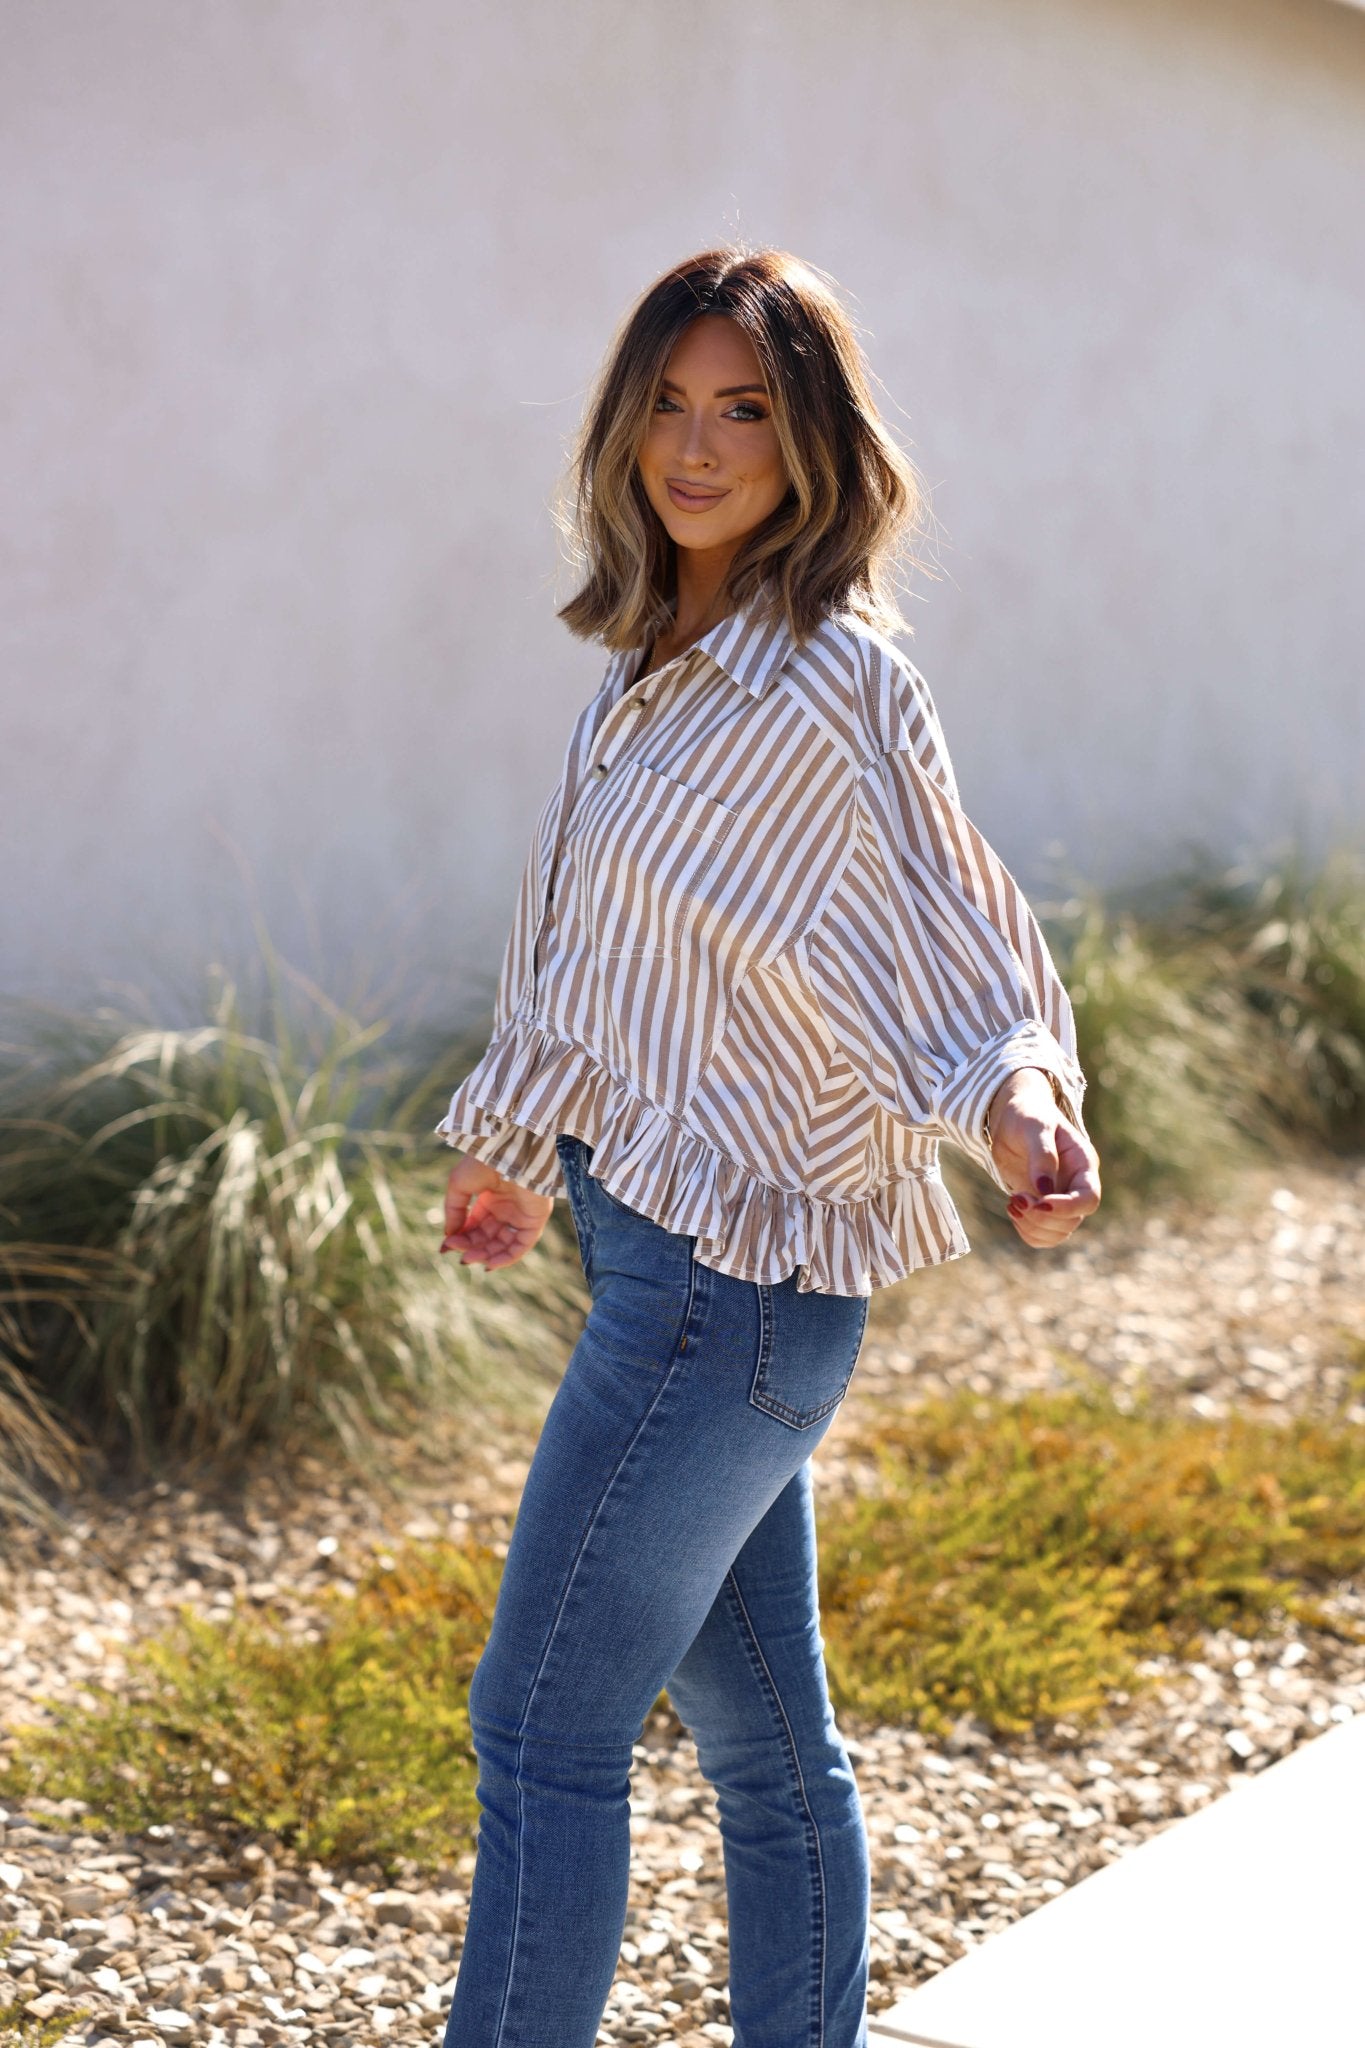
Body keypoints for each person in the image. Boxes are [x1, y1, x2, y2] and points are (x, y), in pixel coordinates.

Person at [434, 246, 1102, 2048]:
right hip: (676, 1265)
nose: (697, 443)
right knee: (765, 1752)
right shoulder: (649, 667)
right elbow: (599, 950)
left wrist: (1017, 1094)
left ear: (810, 437)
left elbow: (943, 919)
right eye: (667, 401)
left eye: (742, 406)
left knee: (538, 1731)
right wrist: (510, 1144)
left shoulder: (828, 677)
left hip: (723, 1298)